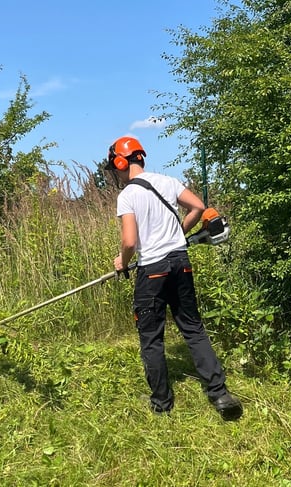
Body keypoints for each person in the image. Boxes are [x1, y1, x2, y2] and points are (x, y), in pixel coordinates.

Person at [106, 135, 243, 421]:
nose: (116, 175)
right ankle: (219, 394)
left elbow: (130, 242)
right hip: (181, 263)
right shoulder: (168, 181)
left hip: (152, 270)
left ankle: (161, 403)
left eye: (115, 168)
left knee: (152, 338)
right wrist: (177, 232)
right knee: (192, 328)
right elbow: (199, 207)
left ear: (121, 162)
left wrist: (123, 263)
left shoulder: (128, 195)